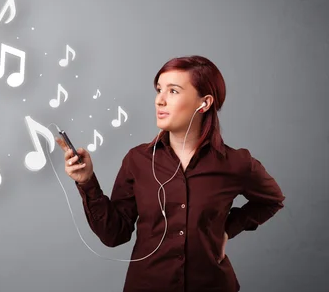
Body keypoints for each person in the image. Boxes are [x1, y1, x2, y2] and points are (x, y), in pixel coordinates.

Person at [55, 55, 285, 292]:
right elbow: (114, 234)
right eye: (158, 90)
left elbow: (272, 200)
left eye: (173, 91)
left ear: (204, 103)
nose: (159, 101)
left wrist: (228, 229)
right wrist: (87, 182)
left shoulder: (236, 163)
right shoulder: (138, 160)